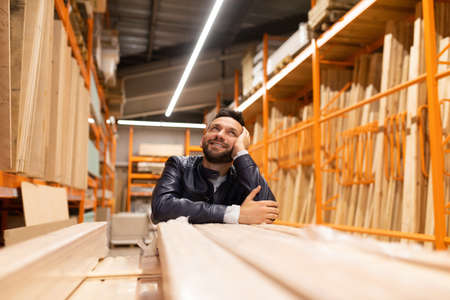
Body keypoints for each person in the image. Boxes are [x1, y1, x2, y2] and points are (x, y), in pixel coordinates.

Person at [151, 108, 278, 224]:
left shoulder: (242, 178)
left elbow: (269, 211)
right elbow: (161, 208)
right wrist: (235, 214)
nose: (220, 135)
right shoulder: (179, 165)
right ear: (202, 140)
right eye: (215, 129)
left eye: (231, 133)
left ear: (239, 143)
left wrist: (241, 153)